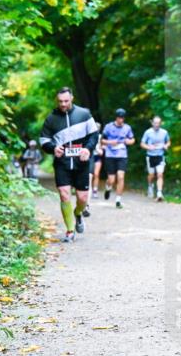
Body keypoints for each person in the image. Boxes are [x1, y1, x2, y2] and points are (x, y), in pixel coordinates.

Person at [39, 87, 99, 242]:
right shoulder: (51, 119)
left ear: (72, 98)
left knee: (82, 198)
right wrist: (53, 148)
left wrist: (87, 149)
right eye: (60, 101)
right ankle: (70, 231)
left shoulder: (84, 114)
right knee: (64, 195)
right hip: (62, 163)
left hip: (81, 162)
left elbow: (94, 135)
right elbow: (43, 141)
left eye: (66, 101)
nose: (63, 104)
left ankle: (78, 213)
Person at [101, 108, 135, 208]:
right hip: (110, 155)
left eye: (123, 118)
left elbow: (132, 139)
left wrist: (129, 141)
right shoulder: (108, 127)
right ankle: (108, 187)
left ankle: (118, 200)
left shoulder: (127, 128)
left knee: (121, 176)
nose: (121, 120)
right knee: (111, 179)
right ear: (116, 117)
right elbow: (102, 140)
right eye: (119, 117)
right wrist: (110, 142)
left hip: (122, 155)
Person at [140, 116, 171, 201]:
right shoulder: (148, 132)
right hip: (150, 156)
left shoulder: (164, 132)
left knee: (160, 174)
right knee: (151, 175)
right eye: (155, 123)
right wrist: (148, 147)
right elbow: (142, 144)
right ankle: (150, 186)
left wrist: (166, 146)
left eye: (158, 123)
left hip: (160, 156)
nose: (157, 125)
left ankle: (159, 193)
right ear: (152, 123)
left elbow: (168, 141)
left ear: (161, 123)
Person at [86, 123, 103, 215]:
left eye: (98, 128)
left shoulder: (99, 136)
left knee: (94, 175)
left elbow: (102, 145)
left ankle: (87, 204)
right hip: (82, 157)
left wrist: (100, 150)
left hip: (94, 157)